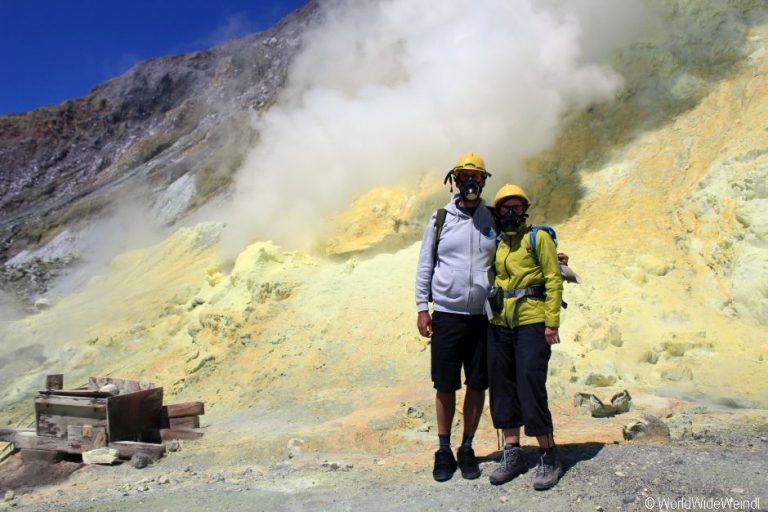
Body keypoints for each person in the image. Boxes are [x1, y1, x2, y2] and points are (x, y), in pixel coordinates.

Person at [415, 151, 498, 482]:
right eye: (464, 175)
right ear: (454, 179)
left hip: (482, 317)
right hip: (448, 316)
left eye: (475, 176)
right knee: (445, 385)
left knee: (478, 384)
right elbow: (425, 264)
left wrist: (551, 249)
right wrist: (423, 307)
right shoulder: (440, 219)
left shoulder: (492, 219)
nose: (470, 181)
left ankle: (467, 447)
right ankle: (443, 449)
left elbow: (518, 250)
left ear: (483, 180)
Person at [486, 184, 564, 490]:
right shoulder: (498, 244)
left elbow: (553, 278)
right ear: (498, 212)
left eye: (516, 208)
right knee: (502, 385)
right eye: (505, 208)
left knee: (530, 383)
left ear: (525, 211)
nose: (510, 213)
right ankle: (513, 452)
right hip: (500, 323)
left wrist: (551, 323)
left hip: (532, 321)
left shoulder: (539, 238)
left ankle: (548, 454)